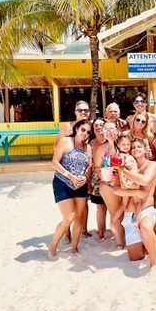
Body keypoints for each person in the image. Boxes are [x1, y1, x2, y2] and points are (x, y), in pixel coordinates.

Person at [48, 119, 92, 259]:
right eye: (83, 130)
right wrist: (70, 176)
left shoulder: (88, 148)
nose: (85, 134)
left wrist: (85, 177)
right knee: (68, 217)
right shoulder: (66, 141)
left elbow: (88, 167)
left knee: (79, 218)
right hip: (62, 182)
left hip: (80, 185)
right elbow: (54, 163)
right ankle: (53, 246)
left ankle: (74, 248)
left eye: (88, 132)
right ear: (77, 129)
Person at [121, 137, 156, 273]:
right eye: (133, 147)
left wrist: (123, 171)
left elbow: (145, 180)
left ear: (145, 150)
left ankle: (154, 263)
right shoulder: (128, 165)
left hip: (147, 209)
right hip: (130, 213)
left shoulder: (152, 165)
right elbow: (116, 189)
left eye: (139, 146)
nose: (136, 149)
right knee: (135, 257)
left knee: (145, 226)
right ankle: (149, 242)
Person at [55, 100, 92, 238]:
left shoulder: (90, 127)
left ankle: (83, 228)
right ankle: (67, 232)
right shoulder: (68, 127)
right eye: (80, 110)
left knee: (83, 202)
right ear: (75, 112)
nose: (83, 113)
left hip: (84, 170)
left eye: (86, 110)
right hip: (66, 174)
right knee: (68, 206)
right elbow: (56, 147)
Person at [95, 120, 124, 249]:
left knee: (128, 211)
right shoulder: (102, 148)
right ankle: (119, 242)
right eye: (106, 130)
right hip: (109, 184)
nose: (109, 132)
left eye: (111, 129)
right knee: (114, 212)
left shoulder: (124, 144)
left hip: (126, 184)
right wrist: (102, 175)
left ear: (117, 130)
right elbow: (97, 167)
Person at [112, 133, 142, 231]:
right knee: (138, 202)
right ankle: (137, 221)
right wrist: (124, 183)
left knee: (124, 204)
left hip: (128, 181)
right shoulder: (122, 155)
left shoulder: (126, 155)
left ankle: (113, 222)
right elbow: (120, 169)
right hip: (130, 182)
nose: (126, 147)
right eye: (123, 145)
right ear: (118, 145)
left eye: (128, 144)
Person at [89, 118, 108, 239]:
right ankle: (101, 232)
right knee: (100, 207)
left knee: (114, 206)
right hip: (96, 178)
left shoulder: (112, 140)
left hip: (112, 176)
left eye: (101, 124)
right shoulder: (90, 143)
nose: (99, 127)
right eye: (96, 125)